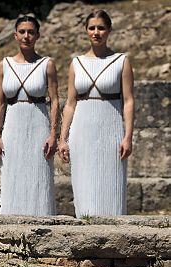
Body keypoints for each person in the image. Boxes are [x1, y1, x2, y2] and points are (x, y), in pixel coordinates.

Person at [58, 9, 135, 217]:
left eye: (101, 28)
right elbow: (70, 104)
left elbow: (128, 101)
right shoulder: (76, 63)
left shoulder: (121, 61)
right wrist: (63, 138)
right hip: (82, 132)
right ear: (86, 31)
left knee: (111, 187)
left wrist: (128, 137)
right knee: (84, 190)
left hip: (111, 131)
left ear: (109, 30)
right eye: (92, 28)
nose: (96, 32)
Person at [0, 16, 59, 215]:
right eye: (22, 32)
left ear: (37, 35)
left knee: (38, 174)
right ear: (15, 35)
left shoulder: (47, 64)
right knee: (12, 174)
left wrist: (54, 134)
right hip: (12, 126)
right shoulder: (4, 65)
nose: (26, 36)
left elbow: (55, 100)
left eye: (31, 32)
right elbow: (0, 101)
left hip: (38, 123)